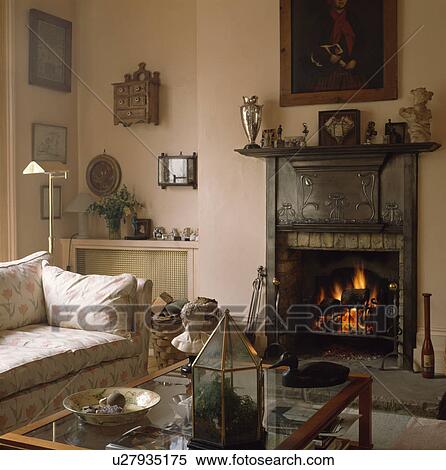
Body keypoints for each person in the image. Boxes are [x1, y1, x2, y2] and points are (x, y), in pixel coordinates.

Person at [310, 0, 364, 91]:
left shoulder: (353, 18)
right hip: (328, 73)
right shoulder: (321, 19)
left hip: (351, 70)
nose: (341, 0)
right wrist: (328, 57)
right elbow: (313, 45)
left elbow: (362, 43)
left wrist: (355, 60)